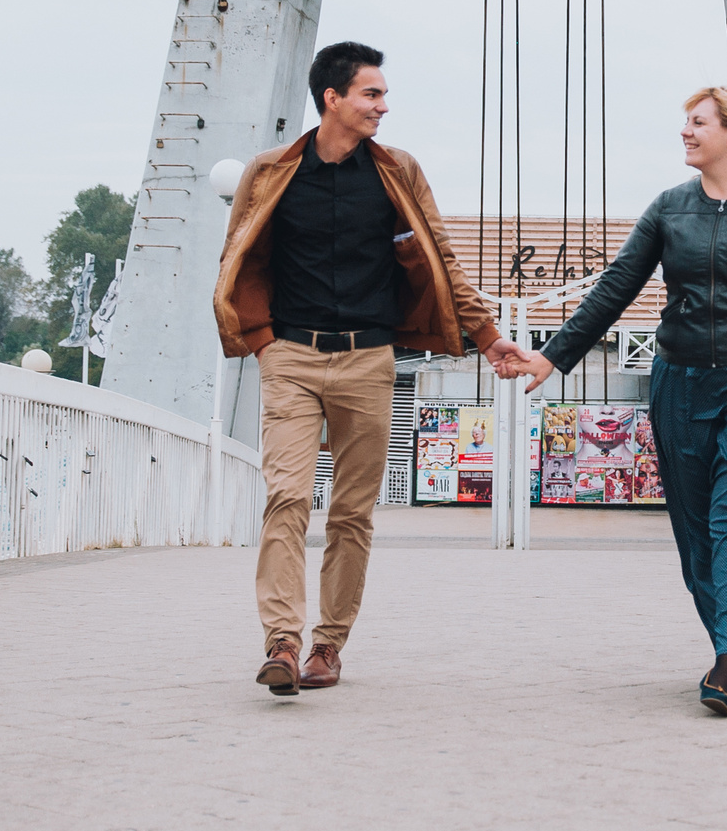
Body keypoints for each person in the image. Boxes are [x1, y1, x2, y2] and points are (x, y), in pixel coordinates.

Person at [215, 41, 532, 696]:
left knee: (353, 510)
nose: (384, 106)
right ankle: (282, 639)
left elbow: (441, 257)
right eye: (372, 94)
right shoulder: (271, 171)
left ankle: (328, 645)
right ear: (332, 98)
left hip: (369, 358)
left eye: (383, 95)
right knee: (288, 496)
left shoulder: (398, 172)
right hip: (292, 357)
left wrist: (488, 335)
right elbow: (236, 255)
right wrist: (263, 341)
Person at [505, 84, 727, 715]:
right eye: (685, 121)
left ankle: (726, 663)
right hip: (681, 388)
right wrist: (553, 355)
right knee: (698, 524)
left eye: (698, 122)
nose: (685, 131)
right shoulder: (669, 208)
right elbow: (615, 288)